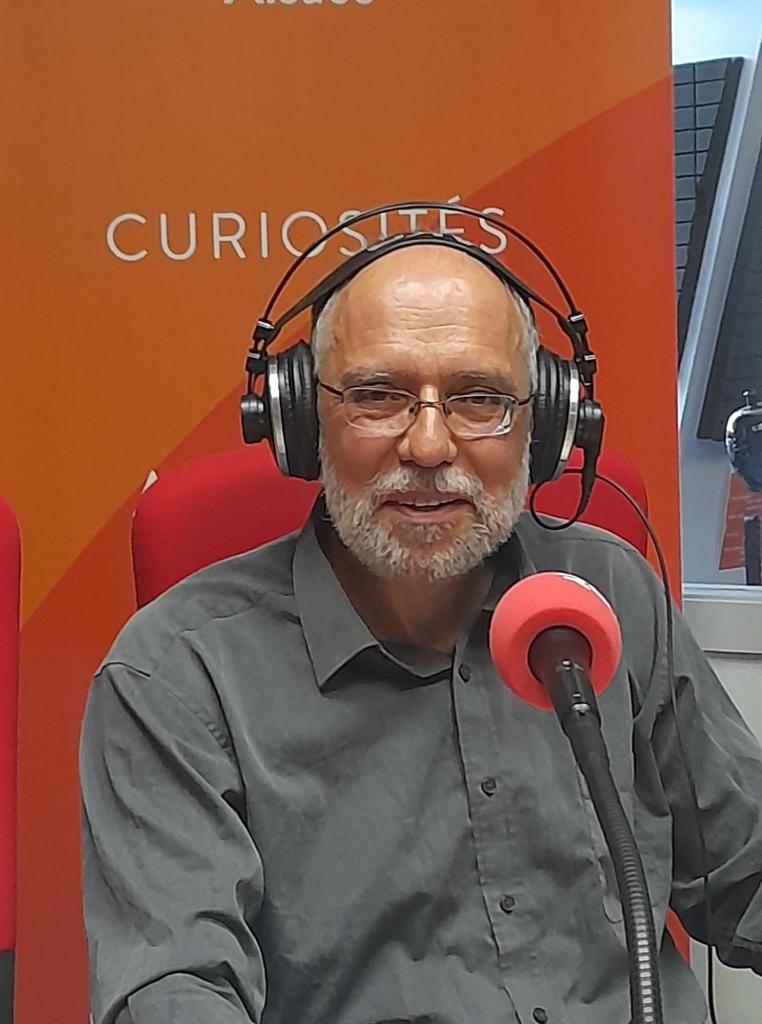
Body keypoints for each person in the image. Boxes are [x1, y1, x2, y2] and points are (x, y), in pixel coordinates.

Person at [80, 242, 762, 1024]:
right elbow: (176, 994)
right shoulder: (174, 675)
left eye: (478, 398)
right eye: (377, 396)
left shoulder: (609, 594)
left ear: (543, 423)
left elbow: (745, 869)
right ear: (300, 419)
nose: (430, 447)